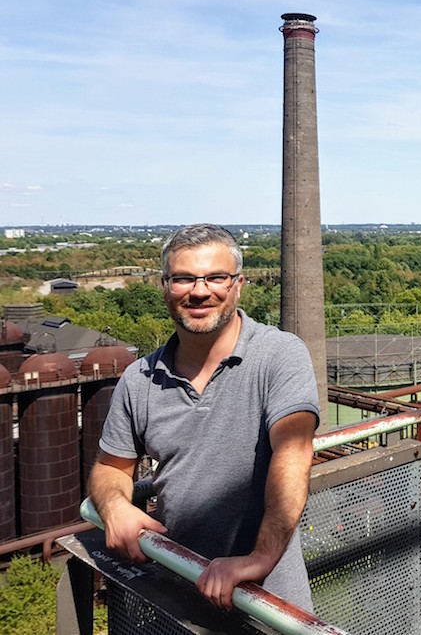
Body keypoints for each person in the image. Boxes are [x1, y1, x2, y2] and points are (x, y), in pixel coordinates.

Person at [89, 224, 320, 612]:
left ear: (238, 285)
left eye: (216, 277)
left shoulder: (279, 355)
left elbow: (293, 452)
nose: (200, 291)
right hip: (177, 595)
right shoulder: (139, 379)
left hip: (268, 602)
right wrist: (114, 507)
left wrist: (259, 559)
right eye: (184, 278)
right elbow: (110, 467)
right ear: (165, 286)